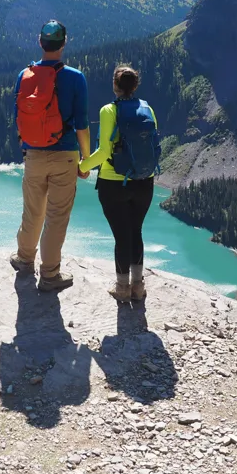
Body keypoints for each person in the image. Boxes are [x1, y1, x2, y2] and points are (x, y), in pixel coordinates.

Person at [12, 20, 91, 292]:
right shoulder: (75, 77)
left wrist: (28, 150)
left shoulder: (25, 75)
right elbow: (82, 124)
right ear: (64, 43)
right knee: (56, 216)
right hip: (65, 156)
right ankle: (49, 275)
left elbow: (19, 120)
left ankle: (24, 260)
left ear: (39, 42)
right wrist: (85, 160)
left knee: (32, 210)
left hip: (33, 154)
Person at [79, 65, 161, 303]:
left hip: (113, 184)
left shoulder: (108, 111)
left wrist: (82, 167)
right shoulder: (148, 109)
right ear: (135, 85)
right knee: (136, 231)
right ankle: (138, 287)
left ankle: (122, 288)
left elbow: (104, 151)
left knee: (121, 236)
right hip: (144, 181)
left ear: (115, 85)